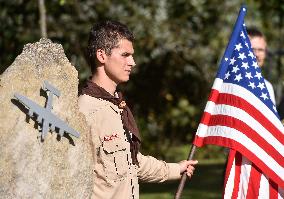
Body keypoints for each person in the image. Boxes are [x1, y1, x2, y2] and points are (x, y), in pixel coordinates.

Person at [78, 20, 198, 199]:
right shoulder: (84, 112)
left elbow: (132, 163)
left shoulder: (116, 105)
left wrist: (175, 169)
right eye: (125, 55)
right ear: (101, 56)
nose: (132, 62)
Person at [247, 27, 276, 105]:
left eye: (260, 50)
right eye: (252, 49)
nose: (256, 54)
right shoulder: (229, 82)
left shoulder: (267, 87)